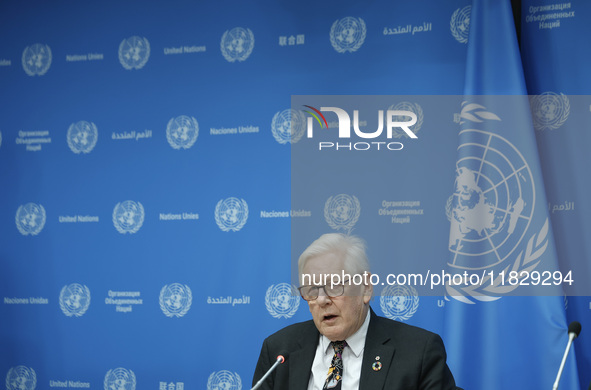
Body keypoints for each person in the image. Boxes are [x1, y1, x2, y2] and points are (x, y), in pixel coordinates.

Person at [252, 233, 457, 390]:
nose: (322, 300)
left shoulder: (417, 352)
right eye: (312, 290)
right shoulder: (279, 350)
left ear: (366, 288)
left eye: (334, 286)